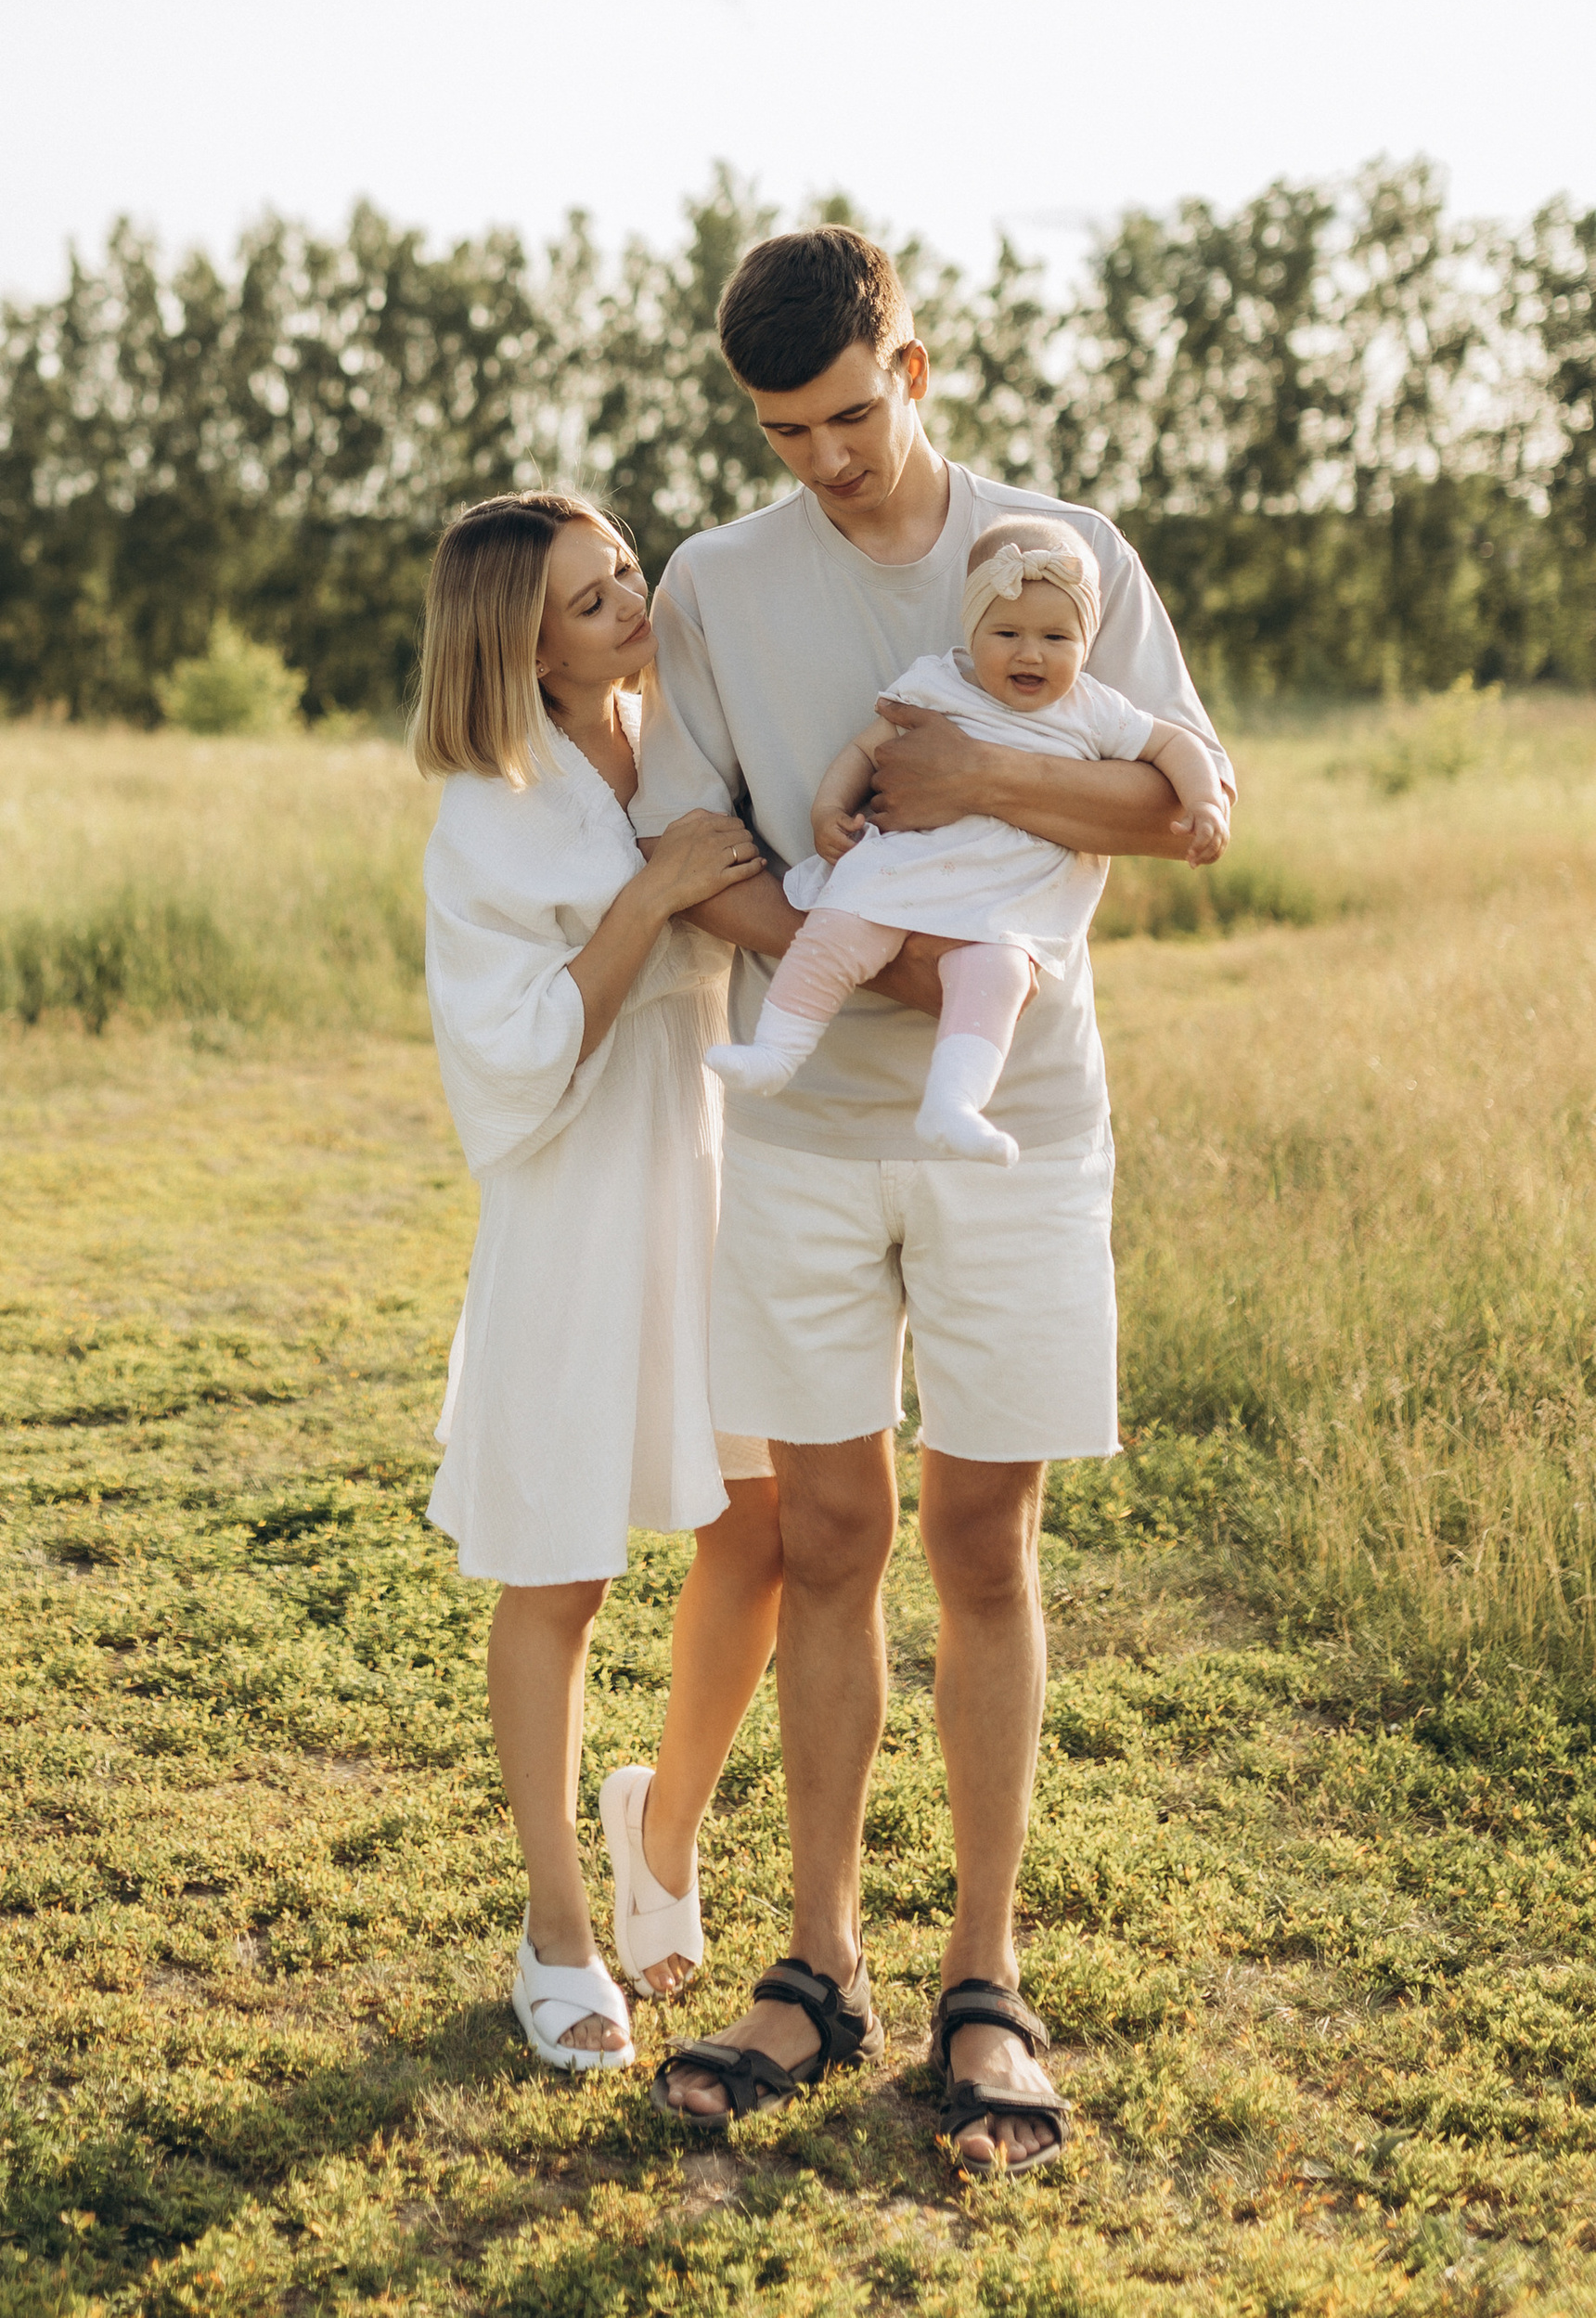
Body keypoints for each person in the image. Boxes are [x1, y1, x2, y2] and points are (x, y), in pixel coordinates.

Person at [631, 229, 1232, 2172]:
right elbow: (694, 839)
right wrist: (883, 969)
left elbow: (1185, 812)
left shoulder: (1065, 558)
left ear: (913, 364)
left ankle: (985, 1978)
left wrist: (974, 771)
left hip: (1019, 1125)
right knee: (824, 1533)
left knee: (983, 1540)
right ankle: (816, 1967)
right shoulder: (715, 583)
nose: (823, 459)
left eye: (847, 413)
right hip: (806, 1136)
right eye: (781, 431)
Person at [417, 492, 787, 2074]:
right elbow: (505, 1060)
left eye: (626, 570)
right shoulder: (486, 816)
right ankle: (558, 1929)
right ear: (522, 647)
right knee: (559, 1570)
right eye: (590, 599)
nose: (633, 603)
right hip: (578, 1192)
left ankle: (664, 1826)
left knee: (766, 1532)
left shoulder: (686, 731)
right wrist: (648, 892)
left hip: (715, 1159)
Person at [708, 518, 1231, 1160]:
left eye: (1056, 638)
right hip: (910, 864)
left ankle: (955, 1104)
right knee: (836, 929)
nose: (1030, 654)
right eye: (1007, 634)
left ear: (1087, 641)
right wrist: (827, 808)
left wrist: (1205, 802)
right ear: (972, 629)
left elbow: (1178, 745)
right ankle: (775, 1051)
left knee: (997, 978)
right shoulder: (939, 684)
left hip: (1008, 897)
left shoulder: (1095, 709)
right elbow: (867, 748)